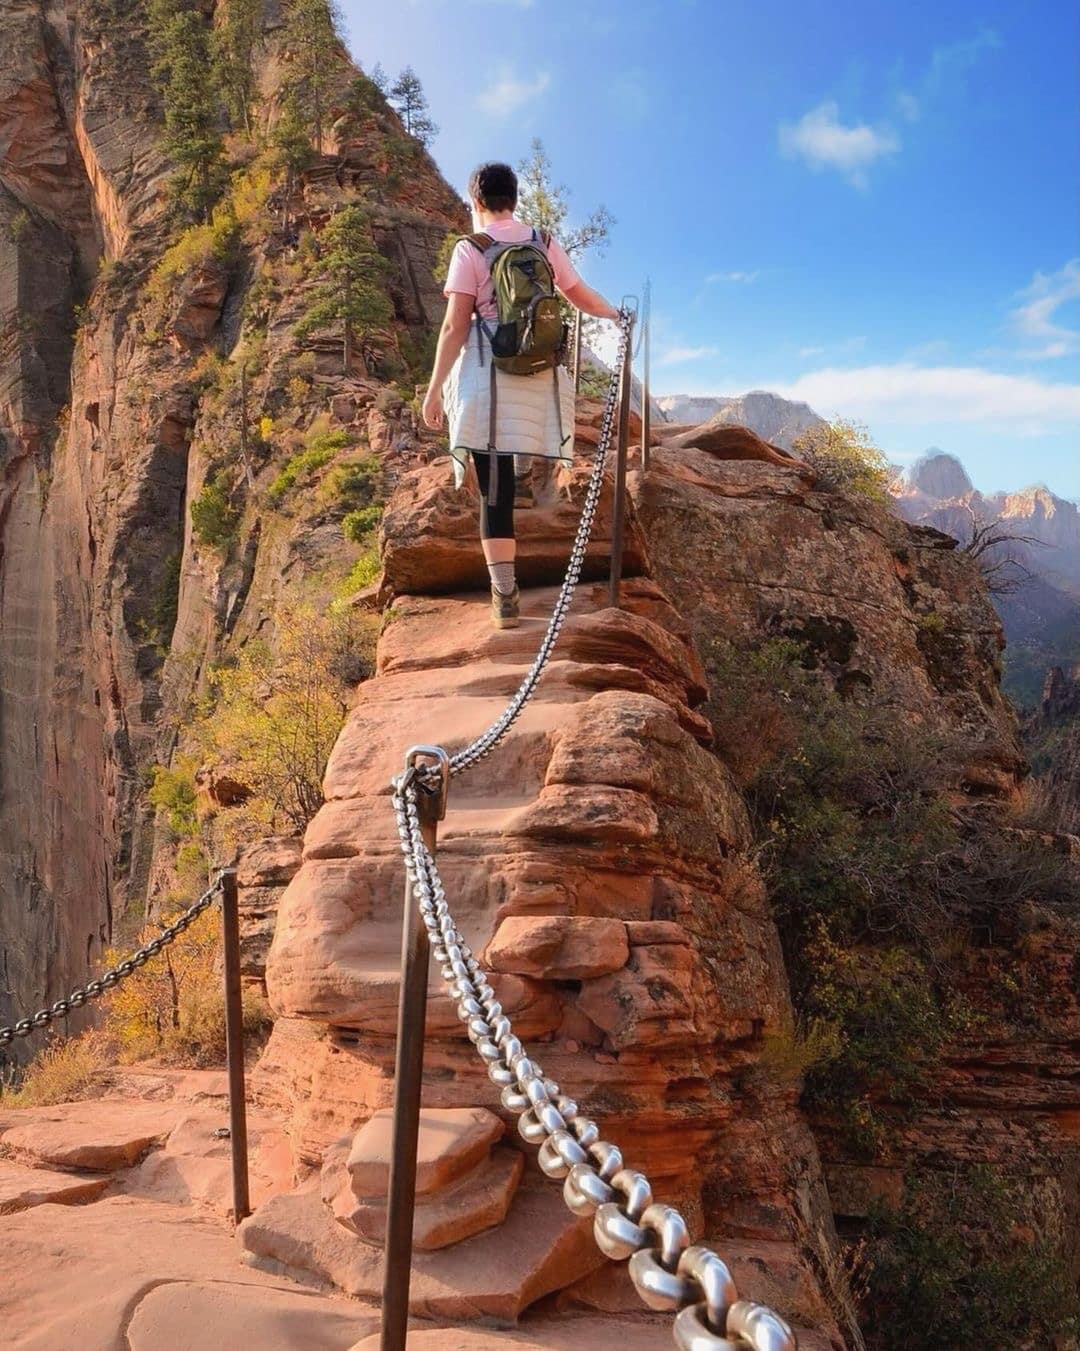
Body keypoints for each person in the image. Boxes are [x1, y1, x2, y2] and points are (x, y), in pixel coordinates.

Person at [422, 161, 620, 629]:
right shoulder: (544, 242)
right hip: (540, 377)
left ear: (476, 203)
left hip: (492, 379)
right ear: (515, 198)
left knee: (495, 494)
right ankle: (527, 469)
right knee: (524, 443)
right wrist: (617, 315)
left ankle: (506, 597)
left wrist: (433, 392)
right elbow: (578, 295)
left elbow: (454, 326)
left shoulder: (471, 249)